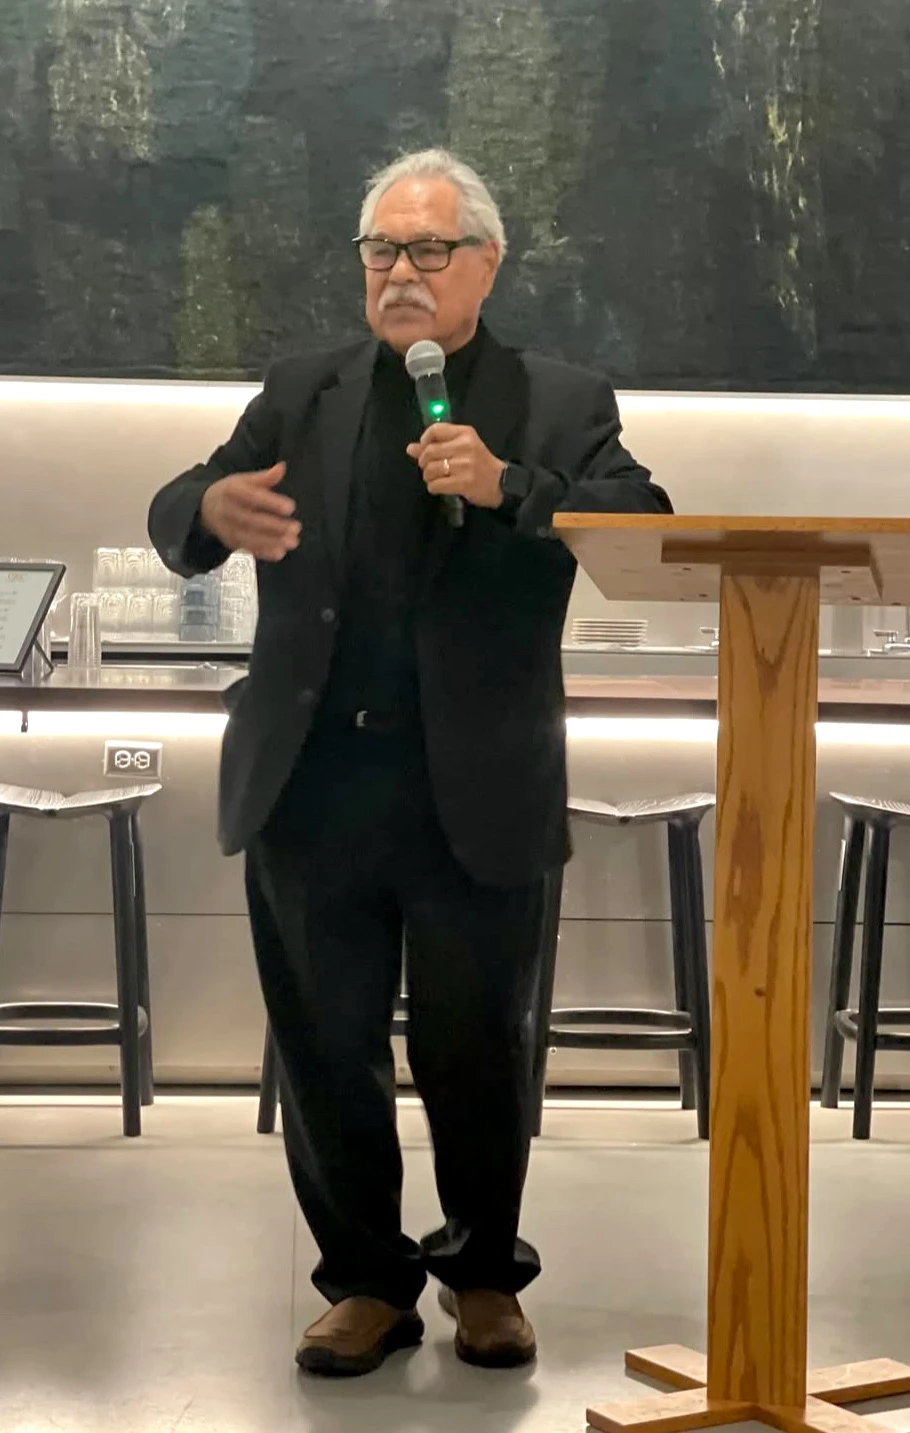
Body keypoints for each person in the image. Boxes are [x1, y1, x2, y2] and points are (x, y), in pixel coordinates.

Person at [148, 148, 671, 1379]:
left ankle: (485, 1271)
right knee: (327, 1044)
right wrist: (210, 509)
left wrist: (510, 488)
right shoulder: (304, 388)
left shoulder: (560, 397)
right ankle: (367, 1282)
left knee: (476, 1043)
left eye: (428, 250)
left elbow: (638, 521)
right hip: (312, 783)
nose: (400, 273)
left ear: (486, 262)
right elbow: (184, 495)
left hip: (472, 787)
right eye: (381, 250)